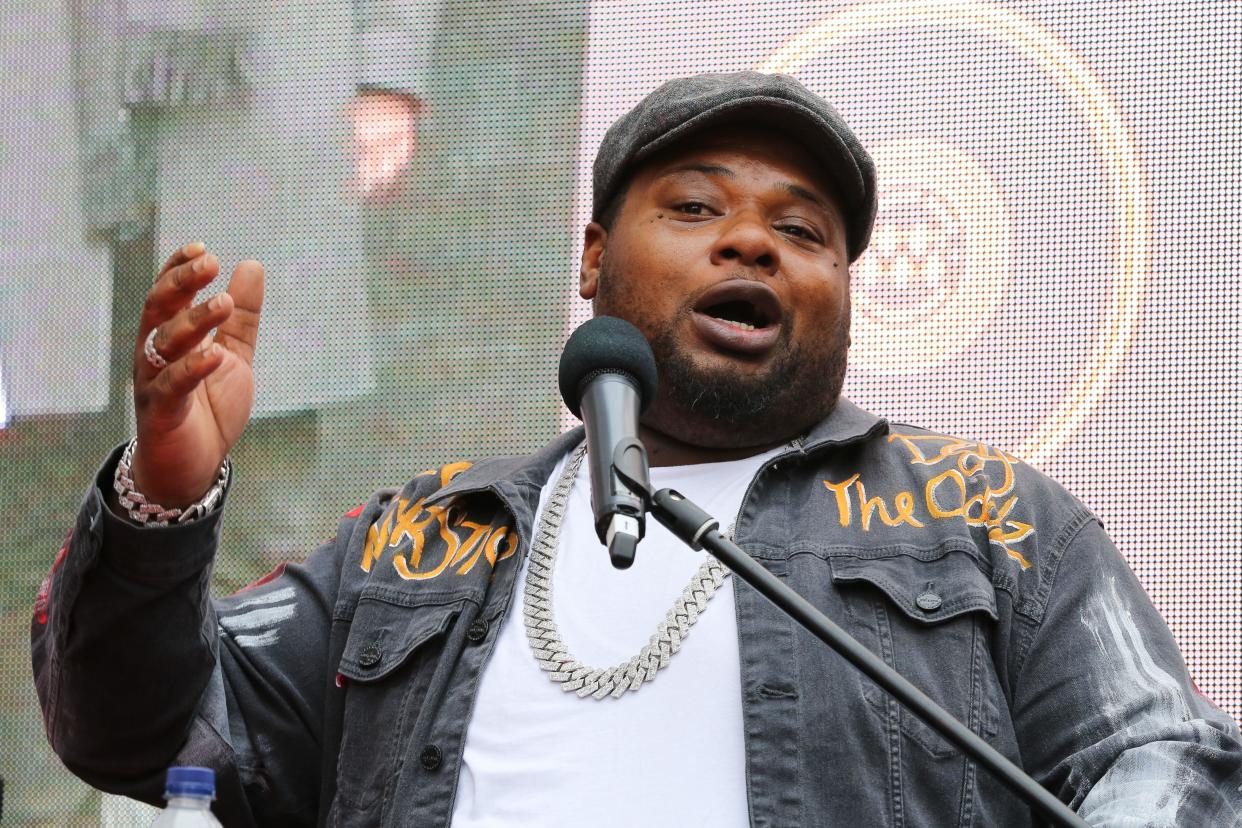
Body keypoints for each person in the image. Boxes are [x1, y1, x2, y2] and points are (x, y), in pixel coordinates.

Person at [32, 72, 1242, 827]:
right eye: (698, 210)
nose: (752, 246)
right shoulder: (419, 536)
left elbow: (1166, 760)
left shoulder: (989, 516)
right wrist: (163, 497)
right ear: (593, 263)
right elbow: (151, 733)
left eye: (803, 231)